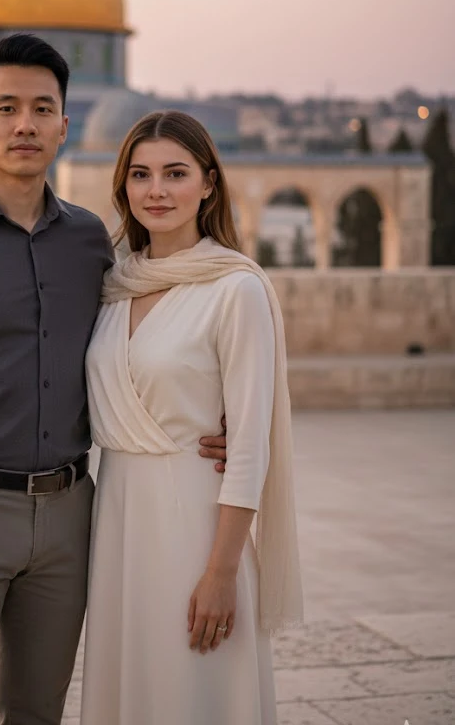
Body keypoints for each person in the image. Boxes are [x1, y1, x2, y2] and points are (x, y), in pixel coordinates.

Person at [0, 34, 228, 725]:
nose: (25, 124)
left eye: (42, 109)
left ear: (65, 125)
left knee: (39, 712)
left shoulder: (91, 242)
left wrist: (217, 417)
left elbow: (152, 337)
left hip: (71, 516)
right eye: (6, 108)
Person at [80, 110, 303, 724]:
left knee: (192, 692)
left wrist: (221, 573)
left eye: (175, 174)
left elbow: (250, 446)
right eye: (141, 174)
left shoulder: (235, 290)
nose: (156, 190)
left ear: (208, 184)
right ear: (123, 186)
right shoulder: (113, 285)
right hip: (118, 520)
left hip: (196, 528)